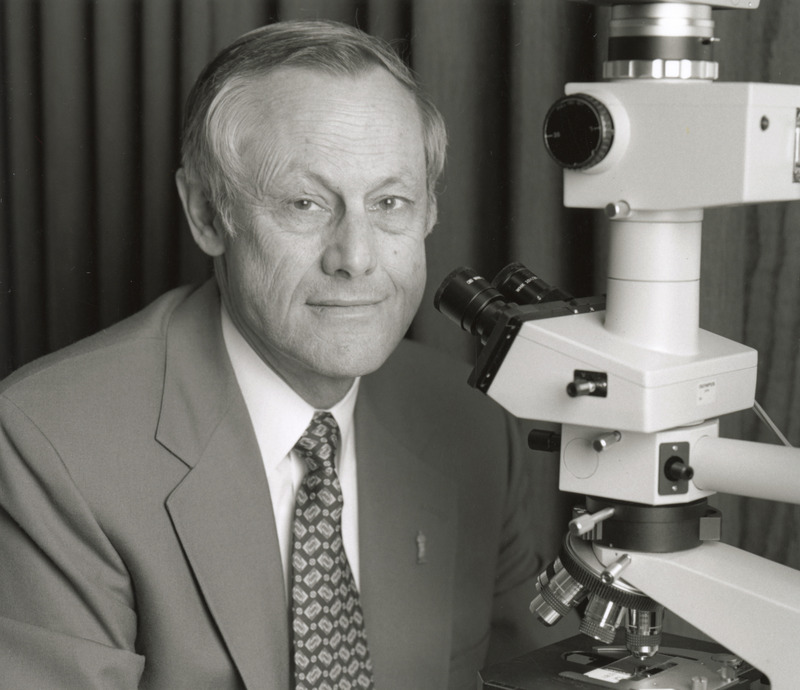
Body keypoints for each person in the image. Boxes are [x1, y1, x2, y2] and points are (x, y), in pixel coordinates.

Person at [0, 20, 552, 689]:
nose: (356, 257)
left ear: (430, 212)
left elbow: (533, 673)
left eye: (390, 202)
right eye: (305, 203)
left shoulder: (473, 420)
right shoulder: (51, 444)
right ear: (208, 214)